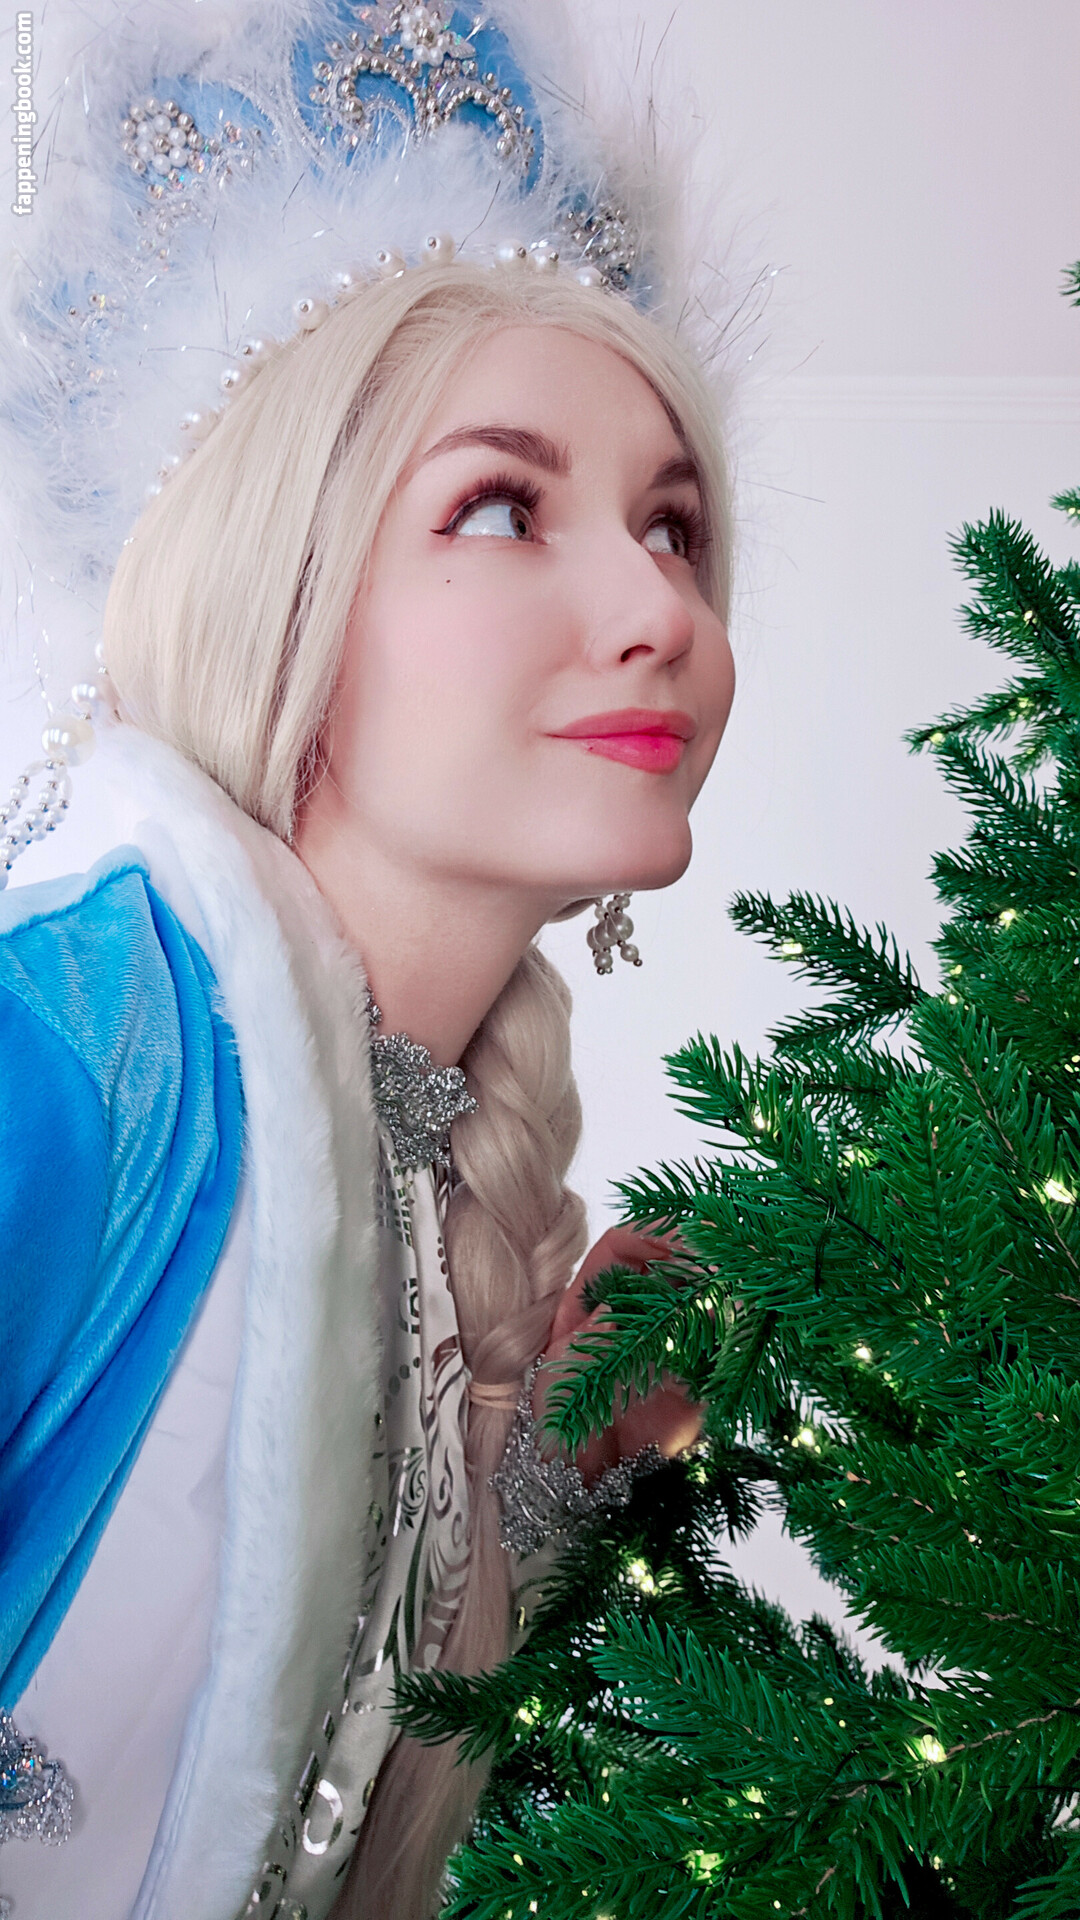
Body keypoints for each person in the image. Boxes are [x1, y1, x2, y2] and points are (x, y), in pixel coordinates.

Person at [0, 7, 736, 1918]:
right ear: (286, 590)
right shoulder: (72, 1045)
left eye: (674, 526)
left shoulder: (417, 1158)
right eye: (503, 505)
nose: (659, 604)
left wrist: (540, 1485)